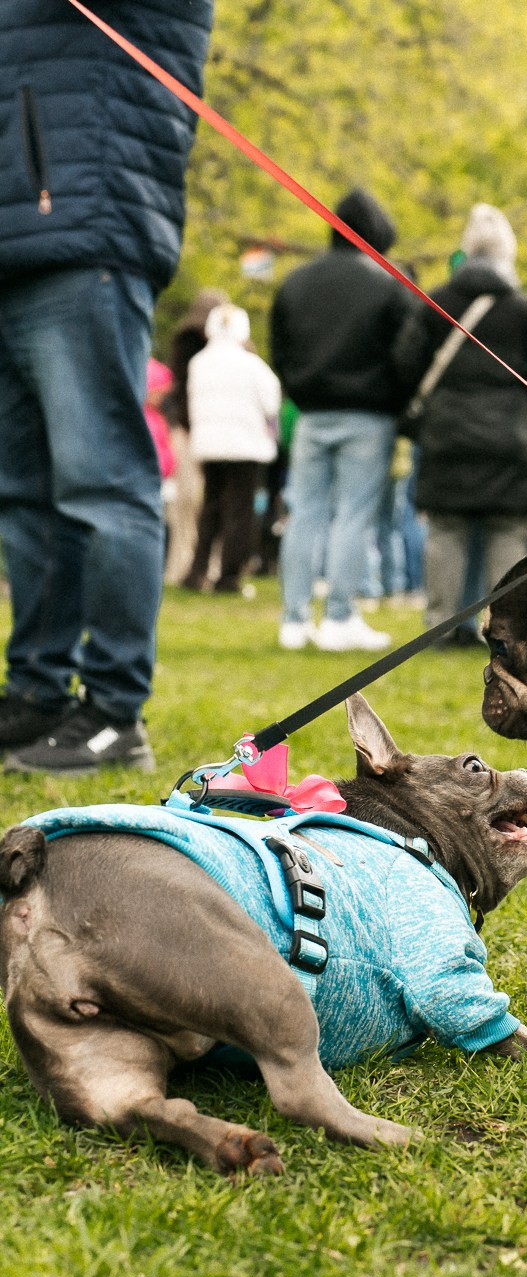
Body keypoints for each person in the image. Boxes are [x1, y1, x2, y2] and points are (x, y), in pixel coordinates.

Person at [0, 0, 213, 773]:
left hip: (84, 219)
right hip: (20, 235)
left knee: (101, 484)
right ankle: (38, 692)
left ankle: (115, 709)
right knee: (25, 493)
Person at [392, 204, 527, 643]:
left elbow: (405, 362)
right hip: (509, 437)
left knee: (446, 529)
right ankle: (503, 631)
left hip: (446, 433)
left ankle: (441, 625)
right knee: (507, 530)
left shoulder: (436, 302)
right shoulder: (526, 308)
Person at [270, 187, 411, 652]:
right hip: (369, 416)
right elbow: (407, 353)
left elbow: (280, 349)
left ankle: (293, 620)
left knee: (302, 514)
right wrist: (397, 401)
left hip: (310, 412)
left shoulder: (296, 282)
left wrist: (299, 388)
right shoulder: (388, 285)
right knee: (354, 516)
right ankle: (339, 617)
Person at [183, 303, 281, 594]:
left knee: (210, 508)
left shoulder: (198, 362)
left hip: (208, 445)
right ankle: (228, 577)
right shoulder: (251, 364)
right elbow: (271, 403)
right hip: (245, 446)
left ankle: (197, 571)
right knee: (240, 512)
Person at [164, 287, 227, 584]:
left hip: (216, 436)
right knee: (186, 504)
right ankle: (182, 567)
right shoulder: (186, 349)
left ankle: (210, 567)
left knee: (210, 505)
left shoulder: (233, 351)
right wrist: (189, 430)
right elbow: (181, 396)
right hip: (190, 434)